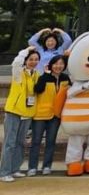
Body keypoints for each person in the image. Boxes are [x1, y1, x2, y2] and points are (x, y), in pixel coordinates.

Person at [1, 47, 40, 183]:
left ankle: (15, 169)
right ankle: (4, 172)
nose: (33, 62)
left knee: (20, 143)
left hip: (27, 113)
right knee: (10, 143)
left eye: (36, 59)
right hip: (14, 111)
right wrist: (26, 50)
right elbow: (16, 62)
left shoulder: (36, 75)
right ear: (26, 60)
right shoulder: (18, 72)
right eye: (31, 59)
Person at [27, 54, 70, 176]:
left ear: (64, 66)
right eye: (56, 64)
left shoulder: (66, 78)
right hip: (40, 115)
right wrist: (46, 75)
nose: (58, 66)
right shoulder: (44, 77)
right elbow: (37, 89)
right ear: (51, 65)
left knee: (51, 142)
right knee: (36, 142)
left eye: (61, 64)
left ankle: (46, 166)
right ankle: (32, 167)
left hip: (55, 116)